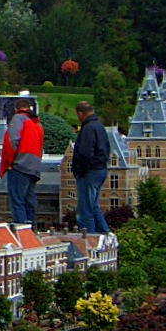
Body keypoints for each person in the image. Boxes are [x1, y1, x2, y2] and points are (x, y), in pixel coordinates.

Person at [0, 98, 43, 226]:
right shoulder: (37, 123)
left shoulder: (18, 118)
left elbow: (12, 141)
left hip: (20, 166)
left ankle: (22, 234)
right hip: (34, 168)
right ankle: (30, 233)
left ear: (16, 109)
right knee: (29, 203)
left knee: (18, 202)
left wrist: (9, 163)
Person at [71, 101, 110, 237]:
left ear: (80, 113)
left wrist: (79, 171)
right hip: (100, 170)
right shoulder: (99, 127)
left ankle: (89, 241)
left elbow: (85, 153)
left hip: (90, 172)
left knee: (85, 210)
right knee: (93, 206)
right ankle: (105, 235)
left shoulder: (88, 129)